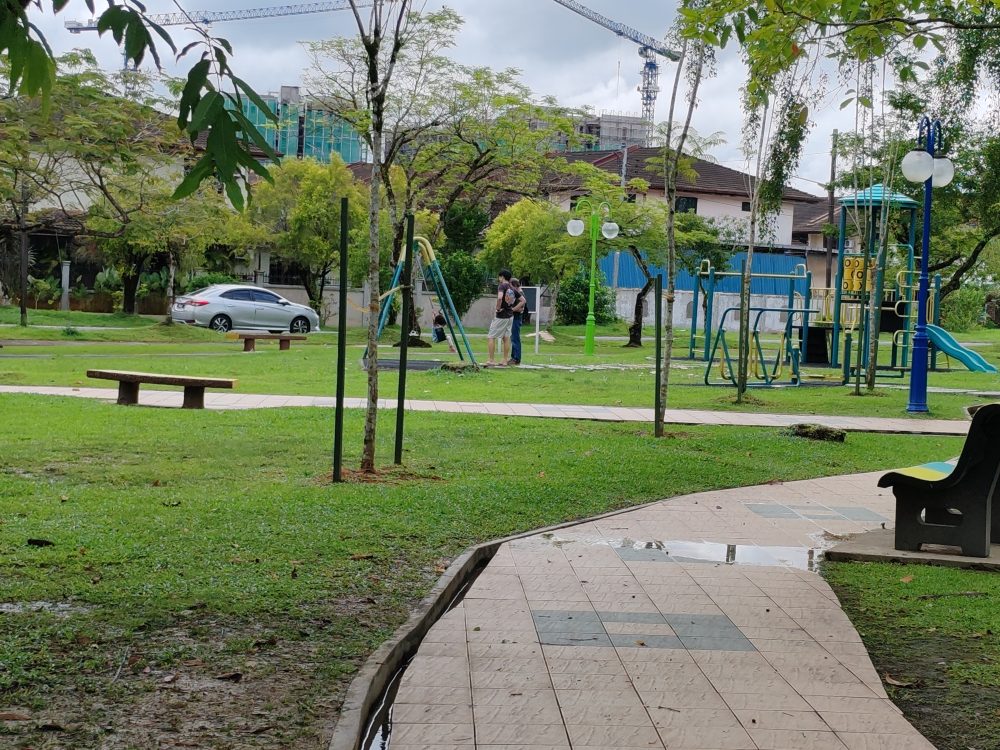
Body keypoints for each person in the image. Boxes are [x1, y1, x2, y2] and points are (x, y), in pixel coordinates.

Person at [486, 269, 515, 366]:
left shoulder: (502, 286)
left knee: (491, 336)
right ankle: (505, 360)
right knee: (506, 337)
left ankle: (491, 360)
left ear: (502, 277)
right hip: (510, 315)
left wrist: (498, 308)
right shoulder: (511, 287)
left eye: (499, 277)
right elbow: (522, 299)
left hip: (501, 315)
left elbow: (499, 297)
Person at [508, 278, 527, 366]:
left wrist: (511, 310)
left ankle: (516, 358)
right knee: (513, 338)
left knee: (515, 338)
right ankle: (513, 357)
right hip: (514, 317)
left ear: (515, 285)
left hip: (516, 318)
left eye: (511, 286)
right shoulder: (518, 293)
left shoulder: (520, 294)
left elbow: (521, 308)